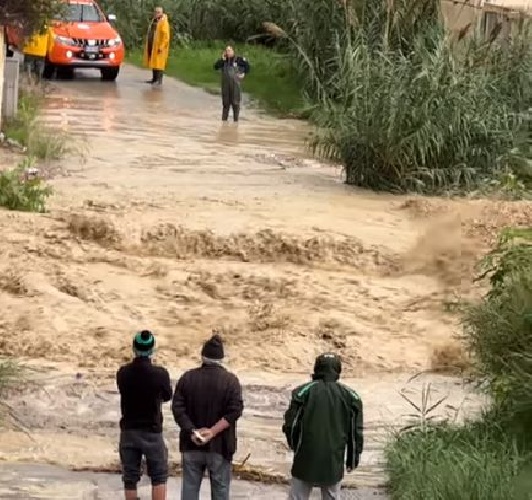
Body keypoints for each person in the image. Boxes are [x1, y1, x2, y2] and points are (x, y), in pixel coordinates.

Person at [282, 353, 364, 500]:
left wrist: (295, 446)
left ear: (317, 368)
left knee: (297, 497)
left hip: (305, 457)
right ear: (338, 370)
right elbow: (354, 433)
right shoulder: (351, 396)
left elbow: (291, 425)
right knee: (332, 496)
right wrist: (352, 459)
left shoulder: (302, 392)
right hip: (333, 460)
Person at [172, 333, 244, 500]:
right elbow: (235, 411)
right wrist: (212, 431)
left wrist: (192, 431)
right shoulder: (231, 381)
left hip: (191, 444)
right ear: (222, 358)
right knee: (220, 491)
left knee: (190, 489)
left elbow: (177, 408)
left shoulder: (187, 378)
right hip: (220, 447)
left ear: (202, 356)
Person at [116, 330, 173, 500]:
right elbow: (167, 396)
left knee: (130, 476)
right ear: (152, 349)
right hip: (152, 430)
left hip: (128, 430)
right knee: (159, 475)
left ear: (134, 348)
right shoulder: (160, 374)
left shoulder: (123, 373)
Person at [213, 46, 250, 122]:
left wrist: (243, 73)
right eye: (227, 51)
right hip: (225, 86)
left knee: (235, 104)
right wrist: (222, 59)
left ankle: (236, 122)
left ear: (233, 51)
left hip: (235, 86)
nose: (228, 52)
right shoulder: (224, 61)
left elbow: (247, 67)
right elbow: (216, 67)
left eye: (230, 51)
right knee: (225, 104)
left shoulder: (239, 59)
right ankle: (224, 122)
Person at [143, 6, 171, 85]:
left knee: (159, 63)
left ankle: (159, 80)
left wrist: (161, 47)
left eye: (158, 12)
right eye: (155, 12)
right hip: (153, 45)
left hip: (160, 46)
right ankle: (154, 79)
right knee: (154, 62)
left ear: (162, 13)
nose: (156, 13)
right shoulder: (155, 21)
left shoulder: (164, 22)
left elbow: (166, 37)